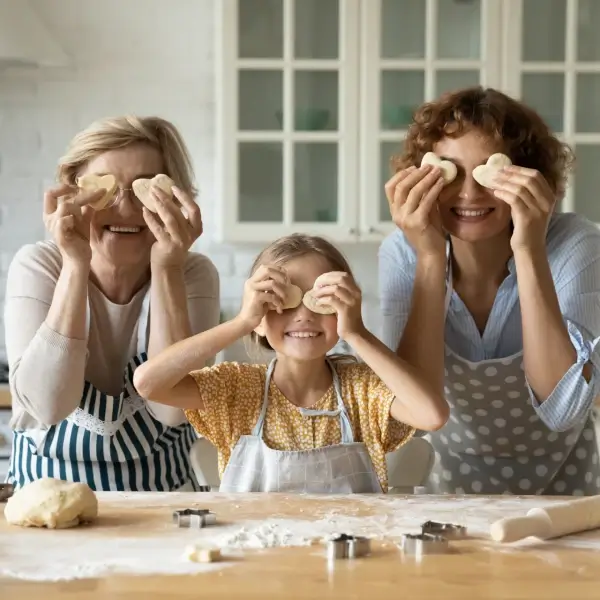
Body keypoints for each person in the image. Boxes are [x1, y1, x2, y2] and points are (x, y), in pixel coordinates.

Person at [379, 86, 600, 496]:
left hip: (567, 496)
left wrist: (529, 247)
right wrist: (429, 259)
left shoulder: (576, 243)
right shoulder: (402, 252)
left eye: (488, 172)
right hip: (450, 496)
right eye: (450, 171)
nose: (468, 194)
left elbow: (563, 409)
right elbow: (409, 416)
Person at [133, 234, 449, 493]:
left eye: (321, 299)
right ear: (260, 316)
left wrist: (356, 332)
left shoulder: (362, 390)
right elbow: (148, 383)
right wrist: (242, 321)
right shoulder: (237, 389)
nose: (303, 315)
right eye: (284, 301)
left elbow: (432, 415)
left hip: (345, 560)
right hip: (255, 561)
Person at [5, 115, 220, 491]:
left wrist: (167, 267)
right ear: (73, 195)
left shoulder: (192, 274)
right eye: (105, 189)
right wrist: (75, 264)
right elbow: (47, 405)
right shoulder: (38, 265)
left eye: (143, 191)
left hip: (163, 504)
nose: (124, 208)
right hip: (43, 501)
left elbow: (172, 411)